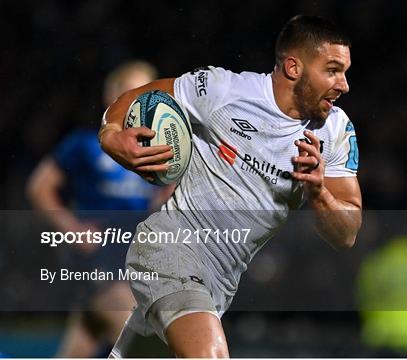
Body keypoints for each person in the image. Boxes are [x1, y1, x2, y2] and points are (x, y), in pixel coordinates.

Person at [99, 15, 362, 358]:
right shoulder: (223, 90)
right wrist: (110, 135)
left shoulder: (336, 133)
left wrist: (318, 192)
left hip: (218, 284)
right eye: (332, 70)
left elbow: (347, 234)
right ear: (294, 67)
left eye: (345, 71)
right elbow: (138, 96)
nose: (343, 84)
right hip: (170, 248)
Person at [27, 60, 171, 357]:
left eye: (148, 91)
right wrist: (73, 230)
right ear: (113, 98)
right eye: (134, 91)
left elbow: (158, 202)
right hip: (97, 261)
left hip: (132, 260)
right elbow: (40, 187)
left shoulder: (157, 151)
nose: (142, 100)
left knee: (82, 345)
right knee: (142, 334)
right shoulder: (84, 144)